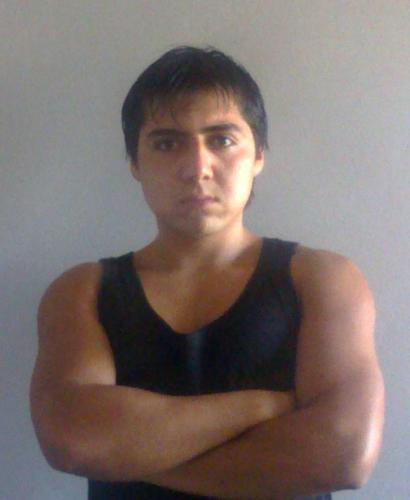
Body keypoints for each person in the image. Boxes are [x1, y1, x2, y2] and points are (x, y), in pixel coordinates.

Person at [30, 46, 384, 499]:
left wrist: (126, 452)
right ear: (135, 163)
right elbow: (73, 440)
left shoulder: (321, 279)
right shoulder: (82, 291)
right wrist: (259, 406)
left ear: (259, 155)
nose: (197, 168)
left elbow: (343, 456)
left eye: (221, 140)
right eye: (166, 143)